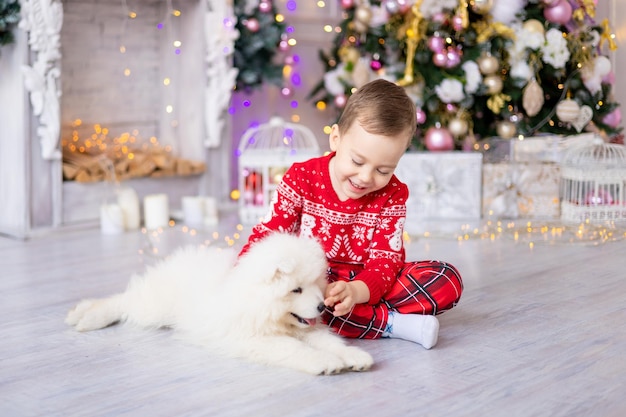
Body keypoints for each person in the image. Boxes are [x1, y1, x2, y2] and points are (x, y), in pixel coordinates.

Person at [239, 79, 463, 349]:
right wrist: (240, 279)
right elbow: (267, 235)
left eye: (383, 170)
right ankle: (392, 324)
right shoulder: (301, 178)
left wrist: (356, 292)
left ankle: (351, 319)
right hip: (314, 286)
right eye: (357, 161)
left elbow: (385, 262)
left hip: (367, 286)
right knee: (302, 301)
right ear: (336, 139)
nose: (366, 177)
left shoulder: (393, 194)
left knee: (446, 280)